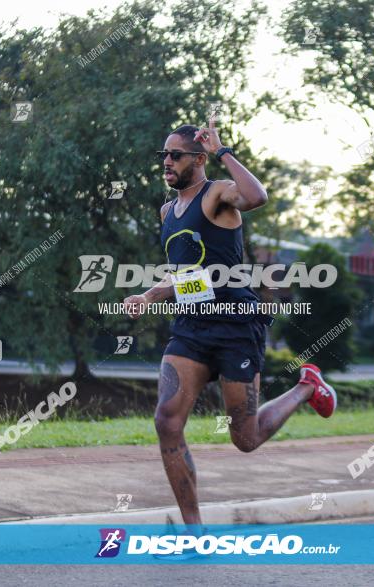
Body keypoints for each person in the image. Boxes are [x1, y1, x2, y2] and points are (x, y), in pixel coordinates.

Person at [123, 116, 337, 528]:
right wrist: (149, 295)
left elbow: (257, 197)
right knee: (166, 421)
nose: (166, 161)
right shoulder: (167, 210)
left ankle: (307, 386)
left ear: (199, 158)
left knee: (246, 438)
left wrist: (223, 149)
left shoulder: (217, 193)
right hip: (192, 326)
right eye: (163, 155)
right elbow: (186, 274)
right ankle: (194, 531)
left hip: (236, 325)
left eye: (175, 155)